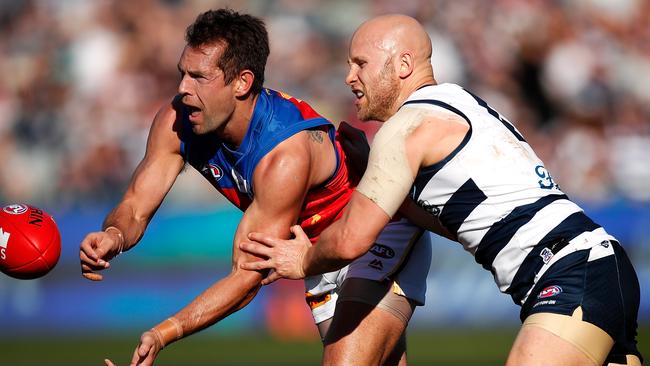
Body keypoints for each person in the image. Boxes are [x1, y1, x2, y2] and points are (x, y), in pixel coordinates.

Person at [240, 14, 643, 366]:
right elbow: (464, 224)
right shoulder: (462, 103)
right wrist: (378, 178)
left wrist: (305, 260)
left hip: (571, 272)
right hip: (599, 267)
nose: (349, 77)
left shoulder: (405, 128)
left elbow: (350, 240)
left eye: (361, 63)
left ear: (402, 64)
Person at [78, 9, 432, 366]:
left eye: (199, 77)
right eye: (182, 73)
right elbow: (137, 205)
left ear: (242, 83)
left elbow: (248, 276)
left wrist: (164, 333)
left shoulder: (283, 153)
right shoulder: (178, 120)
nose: (183, 88)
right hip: (316, 255)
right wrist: (114, 234)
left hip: (375, 233)